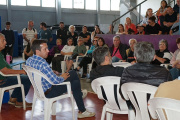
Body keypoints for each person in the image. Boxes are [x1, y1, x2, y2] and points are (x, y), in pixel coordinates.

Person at [26, 40, 95, 119]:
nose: (48, 51)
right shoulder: (43, 63)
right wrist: (63, 74)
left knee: (74, 82)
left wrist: (52, 72)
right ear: (37, 51)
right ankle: (81, 105)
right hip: (49, 92)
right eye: (45, 49)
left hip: (39, 90)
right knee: (73, 74)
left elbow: (40, 72)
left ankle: (81, 101)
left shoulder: (29, 60)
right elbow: (56, 81)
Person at [0, 33, 32, 108]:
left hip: (5, 78)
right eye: (3, 40)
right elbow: (5, 71)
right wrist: (22, 71)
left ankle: (13, 98)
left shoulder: (0, 53)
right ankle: (20, 101)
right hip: (3, 80)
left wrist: (20, 72)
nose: (5, 42)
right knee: (27, 78)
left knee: (22, 77)